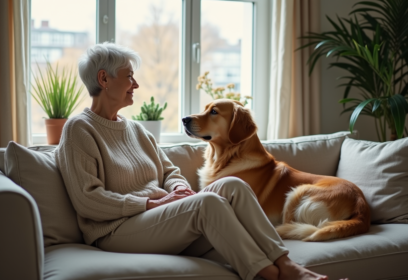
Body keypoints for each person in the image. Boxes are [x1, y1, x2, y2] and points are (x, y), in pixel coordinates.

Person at [55, 42, 334, 280]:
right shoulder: (79, 129)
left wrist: (176, 188)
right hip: (115, 230)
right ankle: (273, 275)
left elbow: (170, 171)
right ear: (104, 80)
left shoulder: (135, 129)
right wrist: (150, 203)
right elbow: (87, 199)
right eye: (129, 76)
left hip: (156, 220)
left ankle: (286, 264)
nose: (135, 84)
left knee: (233, 185)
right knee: (208, 202)